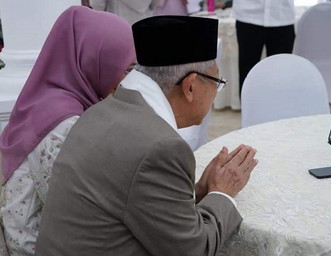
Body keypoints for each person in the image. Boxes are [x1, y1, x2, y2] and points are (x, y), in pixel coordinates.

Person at [35, 15, 258, 255]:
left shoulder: (101, 110)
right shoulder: (161, 147)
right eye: (217, 81)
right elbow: (194, 249)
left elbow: (135, 200)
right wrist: (222, 193)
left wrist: (201, 189)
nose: (216, 91)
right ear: (190, 87)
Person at [0, 6, 136, 256]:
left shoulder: (46, 99)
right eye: (126, 68)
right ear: (95, 60)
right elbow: (82, 211)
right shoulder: (63, 124)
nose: (129, 80)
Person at [233, 0, 296, 98]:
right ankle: (248, 111)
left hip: (282, 15)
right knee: (247, 72)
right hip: (248, 15)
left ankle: (281, 110)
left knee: (281, 75)